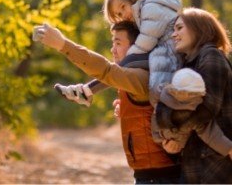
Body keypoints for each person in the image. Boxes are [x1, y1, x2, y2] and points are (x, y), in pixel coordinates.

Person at [34, 21, 181, 184]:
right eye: (113, 43)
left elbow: (105, 70)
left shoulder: (142, 76)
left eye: (118, 43)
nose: (113, 50)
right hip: (150, 175)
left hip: (160, 177)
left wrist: (62, 44)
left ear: (136, 48)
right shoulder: (139, 75)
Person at [53, 0, 182, 108]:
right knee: (121, 68)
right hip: (166, 54)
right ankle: (86, 90)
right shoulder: (150, 7)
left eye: (123, 7)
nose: (123, 15)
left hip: (170, 56)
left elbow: (146, 41)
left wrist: (128, 57)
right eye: (119, 14)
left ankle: (86, 91)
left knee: (123, 66)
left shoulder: (150, 8)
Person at [157, 7, 232, 183]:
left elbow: (205, 109)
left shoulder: (211, 55)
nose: (173, 35)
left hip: (215, 162)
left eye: (179, 28)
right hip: (195, 162)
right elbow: (173, 107)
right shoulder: (188, 63)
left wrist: (175, 133)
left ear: (199, 28)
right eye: (173, 30)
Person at [151, 68, 232, 158]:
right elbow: (210, 134)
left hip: (169, 145)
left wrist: (229, 148)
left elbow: (210, 133)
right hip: (168, 146)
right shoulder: (195, 114)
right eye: (198, 96)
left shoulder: (159, 95)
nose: (201, 99)